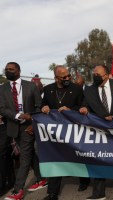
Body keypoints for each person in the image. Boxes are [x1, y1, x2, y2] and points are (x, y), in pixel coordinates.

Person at [79, 65, 113, 200]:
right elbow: (85, 103)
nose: (95, 76)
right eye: (94, 73)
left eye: (98, 74)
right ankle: (99, 193)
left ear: (106, 75)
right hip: (99, 128)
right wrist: (84, 108)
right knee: (97, 158)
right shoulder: (89, 89)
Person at [0, 62, 42, 200]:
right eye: (6, 69)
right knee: (28, 154)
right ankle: (42, 178)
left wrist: (33, 123)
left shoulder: (31, 86)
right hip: (13, 127)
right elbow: (2, 108)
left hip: (28, 127)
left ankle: (18, 190)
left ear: (18, 71)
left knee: (24, 157)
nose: (8, 71)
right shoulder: (2, 88)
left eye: (11, 69)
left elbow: (38, 106)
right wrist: (18, 116)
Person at [41, 65, 84, 200]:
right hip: (55, 131)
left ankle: (84, 179)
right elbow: (43, 104)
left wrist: (70, 109)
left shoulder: (76, 88)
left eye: (68, 76)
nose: (67, 78)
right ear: (56, 78)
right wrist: (44, 107)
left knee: (77, 155)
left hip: (73, 128)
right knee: (55, 157)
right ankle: (52, 193)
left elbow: (82, 105)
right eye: (64, 77)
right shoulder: (48, 89)